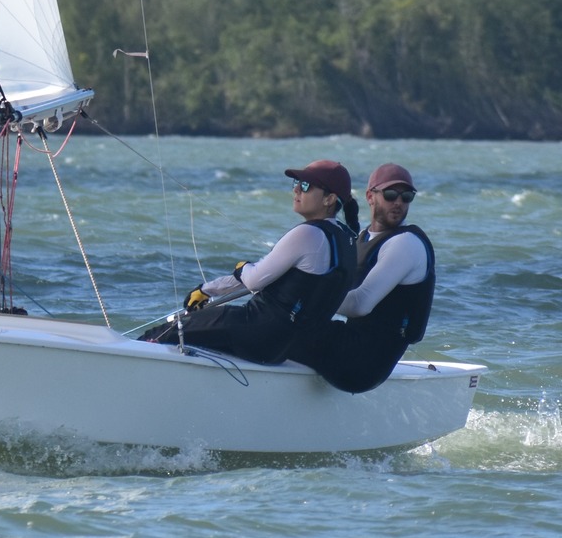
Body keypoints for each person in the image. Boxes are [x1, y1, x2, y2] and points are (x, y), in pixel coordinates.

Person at [152, 159, 359, 364]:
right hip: (287, 346)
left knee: (167, 331)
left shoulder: (308, 234)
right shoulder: (348, 239)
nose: (296, 190)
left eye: (306, 185)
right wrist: (207, 290)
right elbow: (266, 274)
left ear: (329, 199)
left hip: (256, 332)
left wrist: (241, 268)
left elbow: (253, 280)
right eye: (296, 184)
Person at [298, 162, 435, 393]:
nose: (399, 202)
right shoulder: (361, 239)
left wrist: (307, 298)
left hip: (363, 366)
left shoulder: (407, 243)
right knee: (283, 323)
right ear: (370, 196)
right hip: (351, 346)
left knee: (280, 330)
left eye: (407, 196)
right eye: (391, 195)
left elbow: (360, 304)